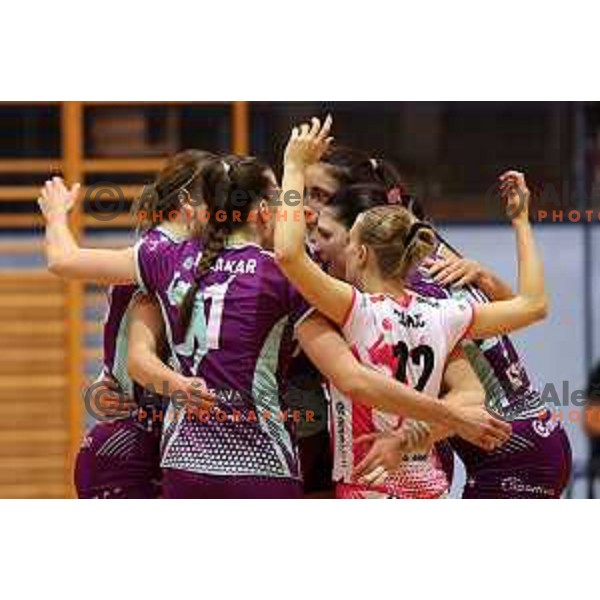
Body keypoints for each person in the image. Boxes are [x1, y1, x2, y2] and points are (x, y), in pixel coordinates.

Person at [126, 150, 511, 499]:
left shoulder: (175, 259)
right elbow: (530, 309)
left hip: (193, 464)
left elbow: (70, 261)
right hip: (281, 462)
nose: (307, 210)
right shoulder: (291, 278)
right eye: (299, 196)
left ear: (358, 242)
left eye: (319, 198)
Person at [274, 117, 551, 499]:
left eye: (327, 233)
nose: (317, 239)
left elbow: (287, 255)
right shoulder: (442, 314)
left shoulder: (355, 309)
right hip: (427, 484)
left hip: (367, 484)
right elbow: (534, 306)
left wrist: (292, 167)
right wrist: (521, 221)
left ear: (360, 251)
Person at [38, 150, 216, 498]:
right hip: (128, 442)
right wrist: (57, 216)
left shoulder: (184, 256)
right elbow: (63, 261)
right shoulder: (161, 253)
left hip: (150, 436)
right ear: (188, 202)